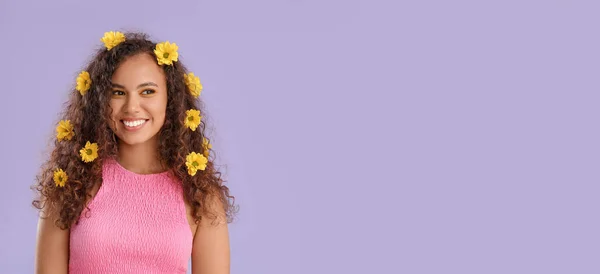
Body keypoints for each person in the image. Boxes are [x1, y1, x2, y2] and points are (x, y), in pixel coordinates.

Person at [31, 31, 237, 274]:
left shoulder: (201, 193)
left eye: (147, 91)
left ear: (171, 99)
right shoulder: (72, 183)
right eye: (117, 92)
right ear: (99, 101)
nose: (131, 107)